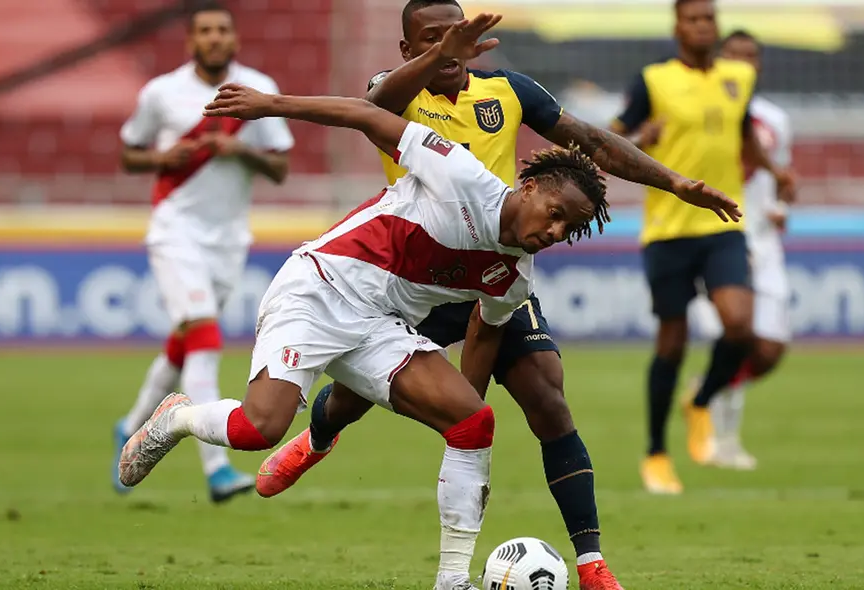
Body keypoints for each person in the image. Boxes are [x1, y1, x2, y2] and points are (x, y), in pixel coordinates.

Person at [254, 2, 739, 589]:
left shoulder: (507, 91)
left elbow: (590, 141)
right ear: (408, 49)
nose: (448, 45)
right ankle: (317, 437)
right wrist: (442, 55)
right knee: (350, 402)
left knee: (549, 400)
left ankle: (591, 562)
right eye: (431, 38)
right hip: (416, 276)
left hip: (494, 271)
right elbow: (371, 110)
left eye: (455, 33)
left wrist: (675, 181)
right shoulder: (397, 88)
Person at [118, 85, 611, 590]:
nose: (555, 232)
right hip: (318, 290)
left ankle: (451, 580)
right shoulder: (461, 175)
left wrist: (458, 413)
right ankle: (177, 417)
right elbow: (363, 113)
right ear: (529, 188)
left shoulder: (515, 278)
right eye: (555, 213)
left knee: (475, 424)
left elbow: (482, 336)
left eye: (568, 229)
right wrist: (270, 105)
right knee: (257, 430)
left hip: (379, 325)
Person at [610, 0, 796, 495]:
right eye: (694, 19)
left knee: (739, 325)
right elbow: (610, 138)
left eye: (709, 18)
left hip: (723, 223)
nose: (703, 26)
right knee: (671, 343)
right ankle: (656, 452)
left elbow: (743, 135)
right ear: (678, 27)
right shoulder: (653, 81)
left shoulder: (738, 77)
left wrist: (775, 172)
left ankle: (701, 400)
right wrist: (642, 138)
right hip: (668, 229)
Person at [111, 1, 294, 502]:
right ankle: (217, 469)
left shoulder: (258, 89)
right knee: (205, 336)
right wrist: (162, 156)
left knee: (184, 342)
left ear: (234, 38)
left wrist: (242, 150)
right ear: (191, 40)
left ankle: (130, 426)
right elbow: (129, 153)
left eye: (222, 30)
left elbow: (280, 168)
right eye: (205, 31)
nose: (214, 38)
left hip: (228, 240)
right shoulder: (162, 93)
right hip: (175, 231)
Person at [689, 30, 795, 470]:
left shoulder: (775, 119)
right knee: (737, 337)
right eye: (734, 55)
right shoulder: (700, 108)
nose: (744, 63)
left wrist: (781, 209)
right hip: (721, 239)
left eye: (751, 56)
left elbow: (781, 177)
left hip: (765, 244)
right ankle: (724, 442)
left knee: (770, 349)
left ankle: (703, 390)